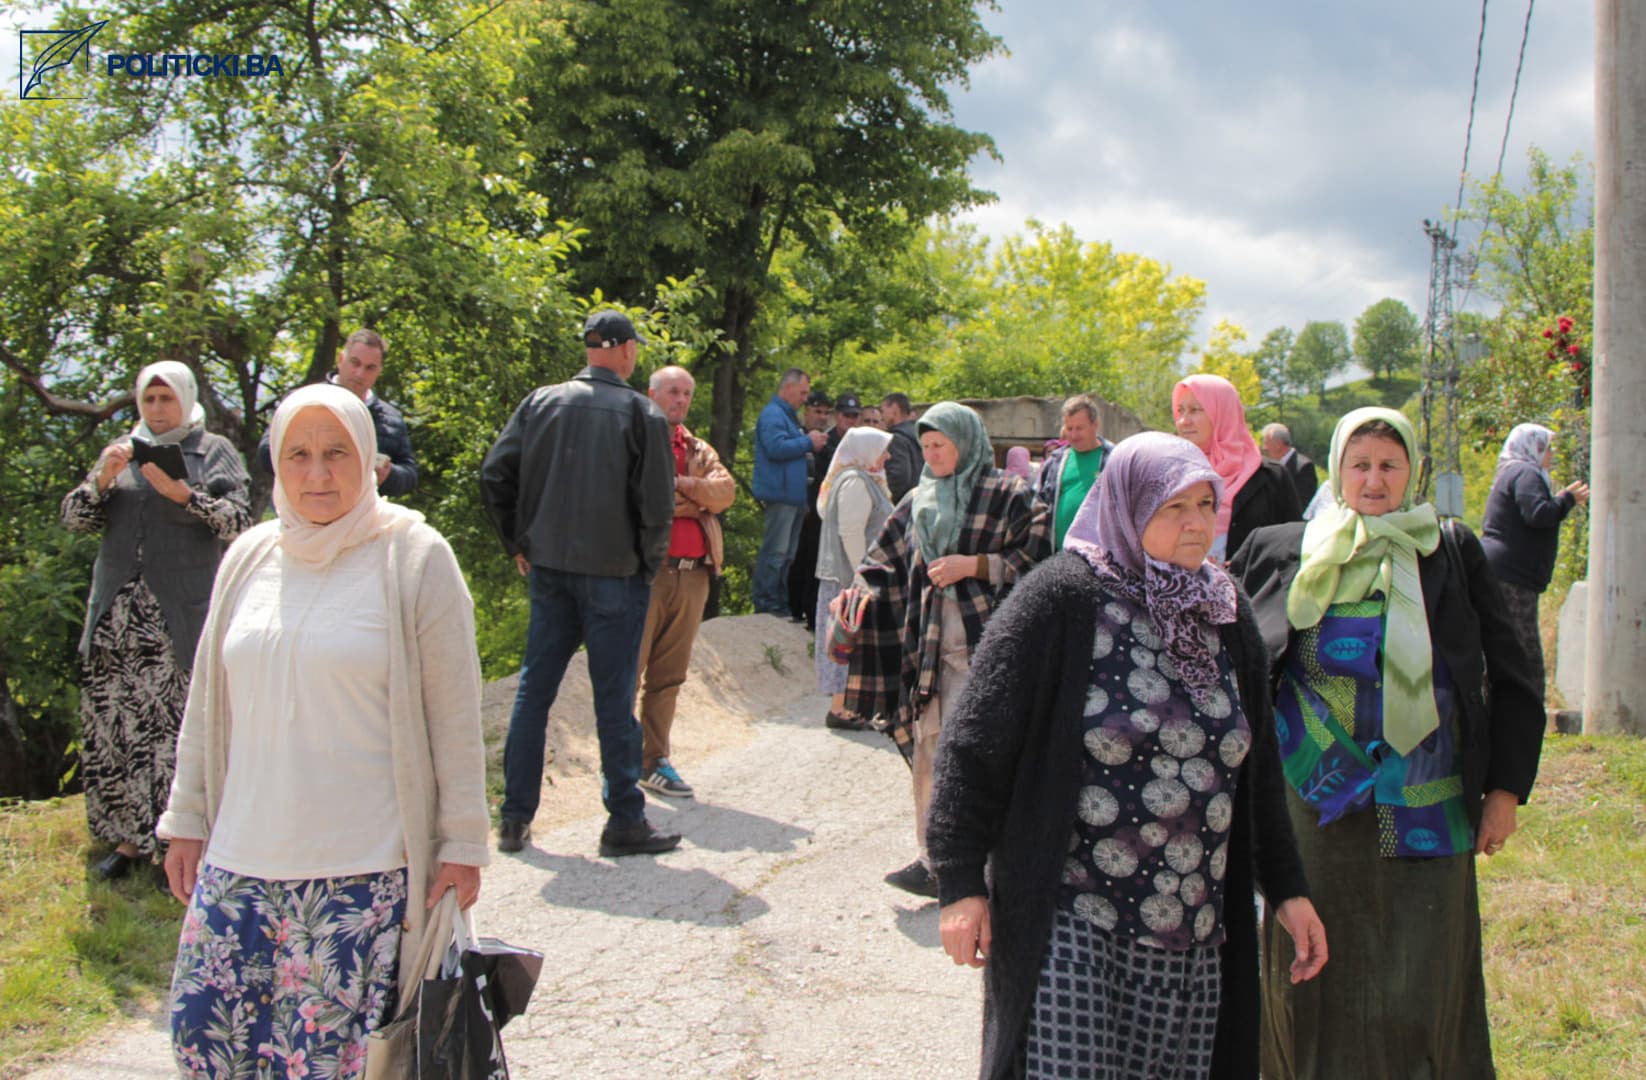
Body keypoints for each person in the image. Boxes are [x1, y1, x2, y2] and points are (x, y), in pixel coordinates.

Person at [928, 432, 1327, 1079]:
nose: (1198, 523)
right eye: (1175, 508)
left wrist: (1287, 890)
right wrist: (960, 883)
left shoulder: (1225, 613)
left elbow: (1254, 774)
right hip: (1076, 921)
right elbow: (975, 745)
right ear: (1129, 505)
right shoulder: (1062, 600)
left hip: (1193, 938)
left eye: (1206, 503)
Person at [157, 384, 490, 1076]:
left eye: (336, 452)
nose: (317, 473)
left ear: (368, 458)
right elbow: (208, 700)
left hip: (359, 882)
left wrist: (462, 844)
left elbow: (455, 717)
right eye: (298, 454)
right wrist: (186, 816)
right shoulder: (249, 556)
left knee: (327, 1065)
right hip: (240, 864)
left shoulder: (415, 558)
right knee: (206, 1045)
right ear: (276, 462)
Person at [1230, 407, 1545, 1080]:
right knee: (1309, 969)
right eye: (1360, 465)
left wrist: (1507, 790)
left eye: (1390, 466)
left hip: (1428, 801)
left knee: (1422, 973)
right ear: (1338, 468)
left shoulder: (1450, 550)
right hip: (1310, 805)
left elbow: (1514, 673)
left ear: (1412, 472)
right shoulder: (1284, 549)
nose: (1374, 481)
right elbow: (1225, 660)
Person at [480, 309, 680, 857]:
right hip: (615, 575)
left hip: (549, 570)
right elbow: (657, 506)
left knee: (533, 692)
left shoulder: (540, 402)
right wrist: (647, 565)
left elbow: (494, 474)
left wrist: (518, 542)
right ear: (624, 350)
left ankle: (514, 820)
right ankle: (623, 822)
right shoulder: (642, 413)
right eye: (634, 346)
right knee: (613, 700)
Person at [840, 402, 1051, 897]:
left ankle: (995, 867)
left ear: (968, 442)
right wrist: (856, 596)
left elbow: (1040, 560)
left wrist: (975, 565)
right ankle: (935, 860)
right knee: (931, 752)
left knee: (986, 757)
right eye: (927, 446)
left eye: (941, 446)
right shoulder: (918, 499)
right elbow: (881, 561)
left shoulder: (1010, 494)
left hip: (991, 651)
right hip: (929, 651)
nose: (931, 455)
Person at [61, 361, 252, 881]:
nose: (158, 409)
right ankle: (126, 842)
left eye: (167, 399)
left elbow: (240, 521)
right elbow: (75, 520)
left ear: (185, 399)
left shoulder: (212, 450)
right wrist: (102, 478)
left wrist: (183, 495)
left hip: (176, 619)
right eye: (150, 400)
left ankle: (178, 839)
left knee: (171, 732)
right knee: (116, 724)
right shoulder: (120, 451)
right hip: (116, 615)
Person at [634, 366, 735, 799]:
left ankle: (654, 761)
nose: (680, 399)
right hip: (645, 576)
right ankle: (618, 764)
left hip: (693, 576)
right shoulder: (634, 440)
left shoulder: (697, 447)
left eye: (688, 393)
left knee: (668, 678)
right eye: (672, 391)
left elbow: (725, 492)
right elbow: (642, 500)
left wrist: (682, 486)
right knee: (626, 675)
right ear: (651, 394)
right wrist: (696, 501)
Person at [1479, 423, 1589, 699]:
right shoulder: (1525, 473)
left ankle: (1507, 710)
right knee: (1523, 653)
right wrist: (1567, 499)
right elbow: (1538, 513)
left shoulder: (1514, 472)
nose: (1551, 454)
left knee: (1506, 647)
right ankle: (1524, 714)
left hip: (1508, 573)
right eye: (1547, 448)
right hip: (1511, 577)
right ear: (1534, 447)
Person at [256, 329, 419, 496]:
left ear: (379, 371)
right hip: (303, 510)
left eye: (370, 367)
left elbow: (410, 474)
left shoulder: (390, 418)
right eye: (355, 363)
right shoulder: (303, 401)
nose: (360, 373)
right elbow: (266, 452)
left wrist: (389, 475)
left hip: (364, 517)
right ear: (341, 360)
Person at [814, 426, 895, 731]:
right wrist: (863, 575)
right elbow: (851, 533)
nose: (886, 456)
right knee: (846, 641)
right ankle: (841, 710)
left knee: (857, 644)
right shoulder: (855, 482)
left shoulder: (864, 479)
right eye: (882, 449)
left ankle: (852, 707)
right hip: (848, 580)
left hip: (854, 578)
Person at [1173, 374, 1300, 562]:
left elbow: (1294, 543)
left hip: (1254, 590)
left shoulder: (1270, 476)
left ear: (1223, 413)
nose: (1184, 421)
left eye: (1194, 410)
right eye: (1180, 411)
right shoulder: (1173, 473)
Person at [752, 368, 827, 615]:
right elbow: (775, 447)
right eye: (803, 392)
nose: (805, 398)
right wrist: (808, 441)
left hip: (794, 497)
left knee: (787, 555)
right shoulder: (773, 414)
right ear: (788, 388)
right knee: (775, 553)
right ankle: (766, 602)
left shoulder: (788, 416)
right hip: (781, 496)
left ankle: (779, 602)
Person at [1035, 394, 1116, 550]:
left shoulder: (1115, 460)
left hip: (1100, 560)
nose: (1073, 435)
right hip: (1058, 558)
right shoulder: (1054, 463)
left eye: (1079, 428)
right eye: (1069, 428)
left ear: (1095, 425)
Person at [1260, 422, 1319, 509]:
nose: (1264, 448)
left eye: (1266, 443)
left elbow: (1301, 504)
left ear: (1278, 445)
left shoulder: (1303, 467)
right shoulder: (1268, 466)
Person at [880, 391, 924, 504]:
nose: (881, 417)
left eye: (883, 411)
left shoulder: (895, 439)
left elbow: (898, 479)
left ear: (894, 409)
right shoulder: (921, 437)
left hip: (902, 509)